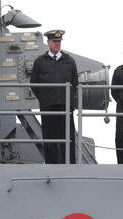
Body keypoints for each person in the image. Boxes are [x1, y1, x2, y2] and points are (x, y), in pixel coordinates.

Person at [30, 30, 78, 164]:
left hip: (65, 106)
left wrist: (68, 99)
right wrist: (45, 98)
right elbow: (34, 84)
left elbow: (75, 83)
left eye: (59, 41)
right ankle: (51, 165)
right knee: (50, 139)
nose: (57, 44)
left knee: (68, 138)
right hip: (48, 106)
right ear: (48, 42)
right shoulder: (40, 62)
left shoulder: (69, 61)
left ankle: (70, 166)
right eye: (55, 41)